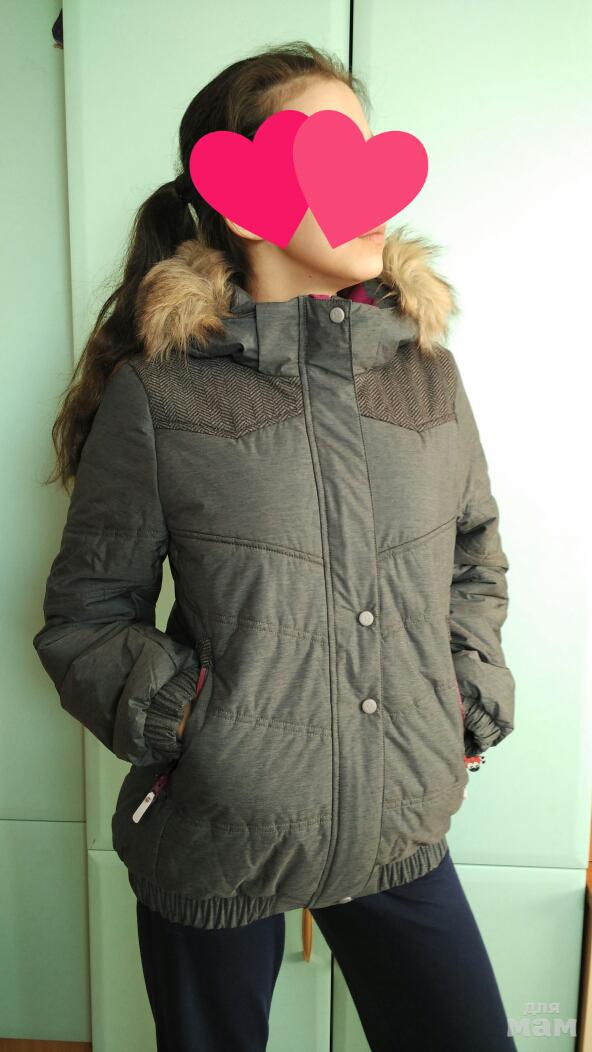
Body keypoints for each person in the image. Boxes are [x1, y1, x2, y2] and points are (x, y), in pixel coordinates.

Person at [32, 40, 517, 1052]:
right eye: (333, 155)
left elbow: (474, 551)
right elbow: (88, 614)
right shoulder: (164, 394)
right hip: (220, 833)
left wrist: (463, 691)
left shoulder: (427, 375)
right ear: (247, 202)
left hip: (397, 816)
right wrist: (200, 724)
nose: (373, 187)